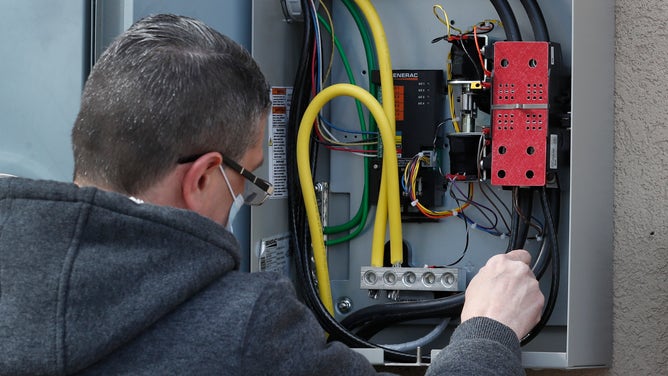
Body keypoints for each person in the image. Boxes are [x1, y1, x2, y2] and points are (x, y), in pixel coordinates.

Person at [0, 14, 543, 375]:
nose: (245, 197)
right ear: (204, 178)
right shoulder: (244, 330)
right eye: (248, 178)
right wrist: (487, 332)